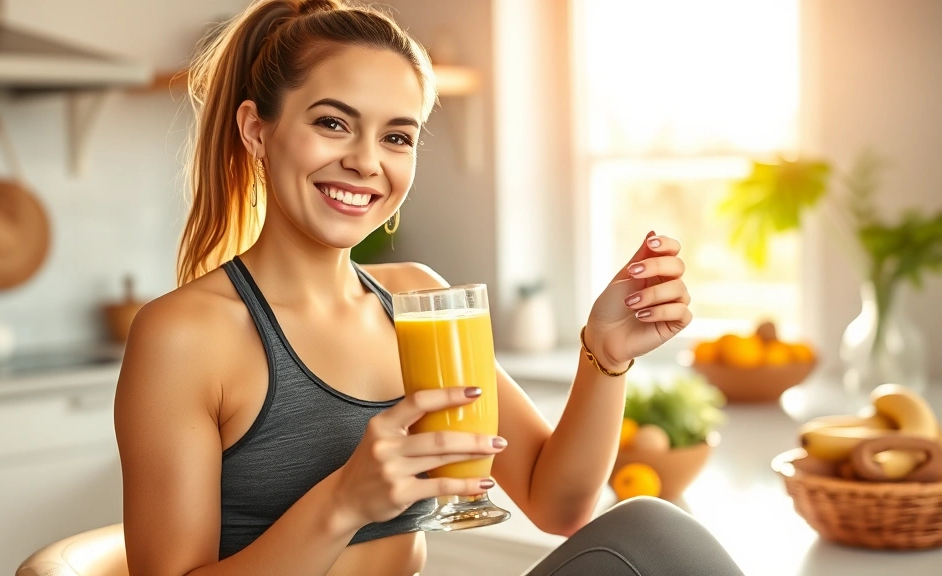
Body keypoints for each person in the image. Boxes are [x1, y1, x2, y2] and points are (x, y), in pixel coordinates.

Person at [113, 1, 746, 575]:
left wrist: (605, 356)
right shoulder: (186, 337)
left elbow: (559, 504)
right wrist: (342, 502)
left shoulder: (417, 303)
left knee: (654, 530)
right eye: (334, 124)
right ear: (257, 130)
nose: (367, 161)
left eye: (396, 137)